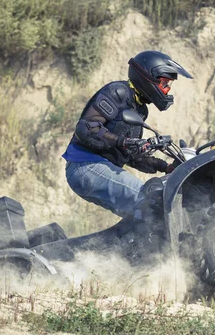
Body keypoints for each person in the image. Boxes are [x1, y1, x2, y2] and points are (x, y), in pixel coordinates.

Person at [62, 50, 193, 217]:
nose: (167, 90)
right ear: (148, 77)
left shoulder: (140, 109)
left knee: (141, 220)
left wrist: (165, 167)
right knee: (149, 201)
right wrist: (122, 141)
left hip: (99, 169)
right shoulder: (118, 92)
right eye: (165, 84)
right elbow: (86, 128)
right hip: (85, 166)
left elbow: (132, 156)